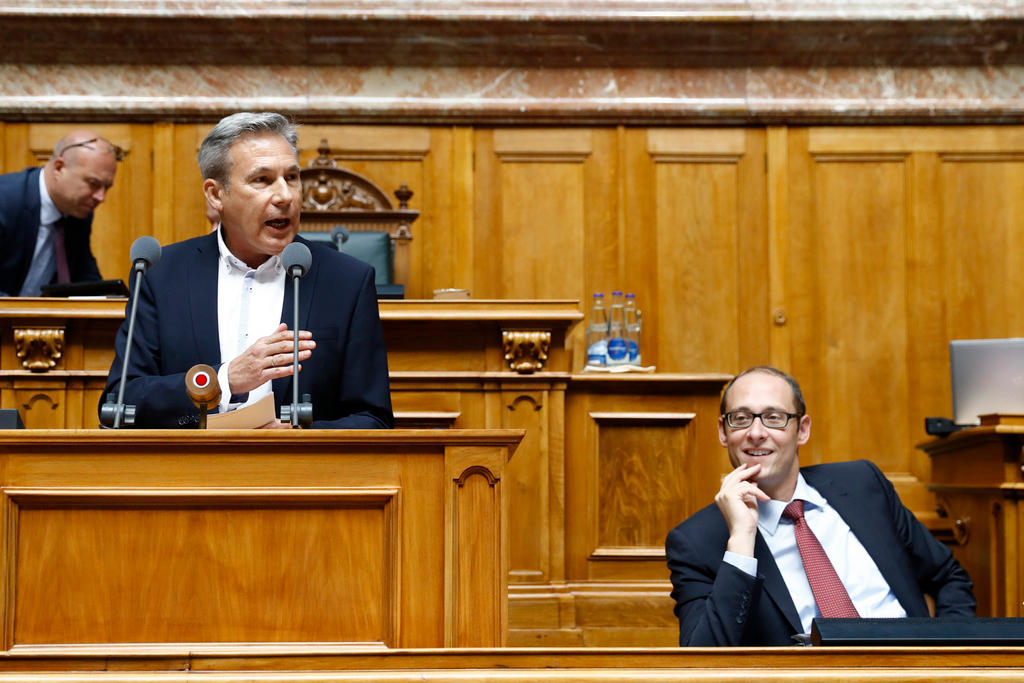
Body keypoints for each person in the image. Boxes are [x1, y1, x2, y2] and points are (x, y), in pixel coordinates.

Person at [100, 112, 393, 429]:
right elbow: (122, 401)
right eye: (262, 180)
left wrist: (298, 440)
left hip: (301, 474)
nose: (284, 196)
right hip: (190, 472)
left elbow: (374, 418)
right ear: (216, 194)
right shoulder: (162, 274)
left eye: (292, 177)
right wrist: (223, 381)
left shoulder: (346, 280)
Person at [665, 365, 975, 646]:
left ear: (802, 430)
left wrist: (950, 658)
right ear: (723, 432)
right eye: (741, 419)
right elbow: (703, 657)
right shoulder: (696, 542)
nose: (756, 433)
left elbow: (948, 576)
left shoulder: (863, 485)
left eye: (774, 417)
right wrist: (741, 542)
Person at [0, 130, 120, 296]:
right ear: (59, 167)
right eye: (93, 183)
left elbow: (86, 280)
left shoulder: (77, 212)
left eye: (106, 187)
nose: (101, 197)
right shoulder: (5, 201)